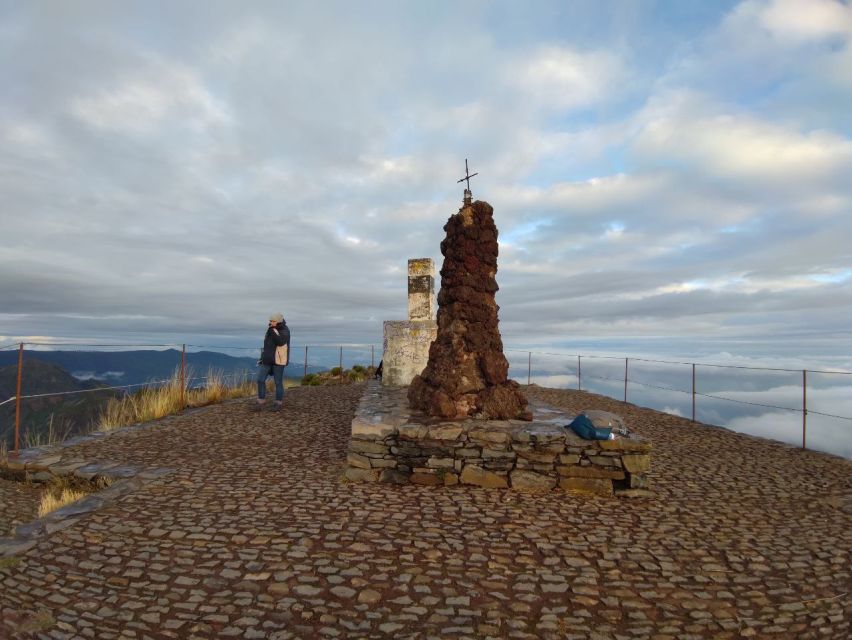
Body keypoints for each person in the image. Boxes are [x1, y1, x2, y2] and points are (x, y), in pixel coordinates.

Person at [254, 313, 290, 411]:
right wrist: (263, 357)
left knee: (278, 382)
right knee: (260, 379)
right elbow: (266, 345)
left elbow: (280, 341)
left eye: (274, 321)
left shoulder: (285, 330)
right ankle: (261, 400)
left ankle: (278, 402)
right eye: (270, 321)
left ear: (279, 321)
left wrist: (273, 330)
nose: (271, 322)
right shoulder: (270, 329)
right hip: (267, 360)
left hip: (278, 361)